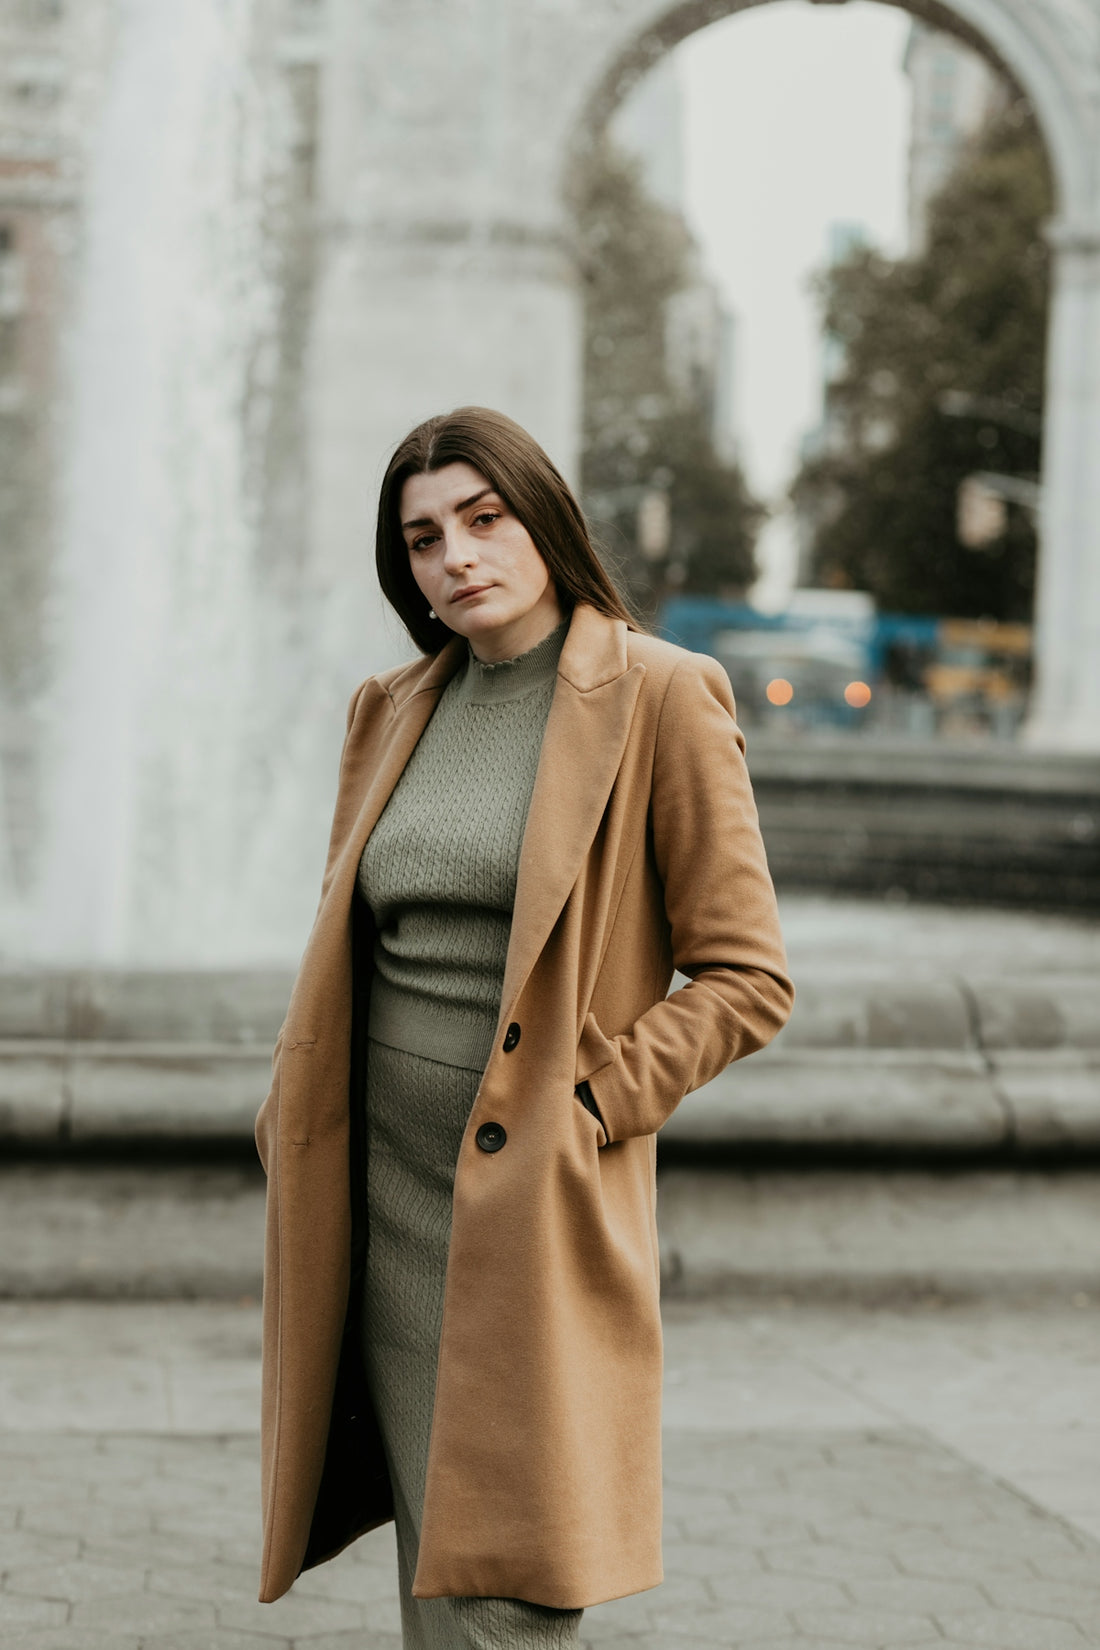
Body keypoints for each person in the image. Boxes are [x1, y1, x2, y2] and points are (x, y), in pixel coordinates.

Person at [254, 406, 794, 1646]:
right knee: (431, 1581)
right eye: (424, 538)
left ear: (541, 520)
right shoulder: (389, 707)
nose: (457, 556)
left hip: (522, 1214)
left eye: (484, 520)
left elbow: (745, 976)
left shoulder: (659, 693)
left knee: (500, 1599)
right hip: (368, 1199)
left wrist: (591, 1109)